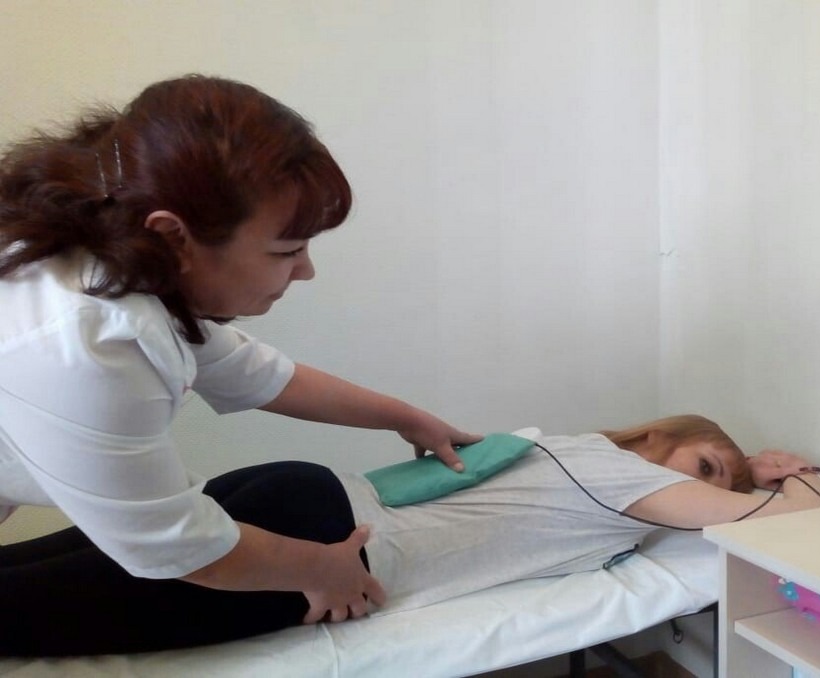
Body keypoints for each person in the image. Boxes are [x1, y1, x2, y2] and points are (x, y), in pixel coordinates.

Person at [0, 75, 480, 656]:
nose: (305, 271)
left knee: (298, 490)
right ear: (174, 235)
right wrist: (323, 571)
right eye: (287, 251)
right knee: (286, 560)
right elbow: (171, 547)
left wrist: (406, 418)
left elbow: (256, 373)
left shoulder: (121, 259)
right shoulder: (86, 348)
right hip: (159, 541)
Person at [344, 413, 820, 615]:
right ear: (656, 438)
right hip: (347, 546)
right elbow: (806, 515)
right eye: (703, 467)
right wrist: (797, 471)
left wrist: (743, 471)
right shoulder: (627, 478)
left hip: (338, 504)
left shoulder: (581, 449)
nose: (699, 492)